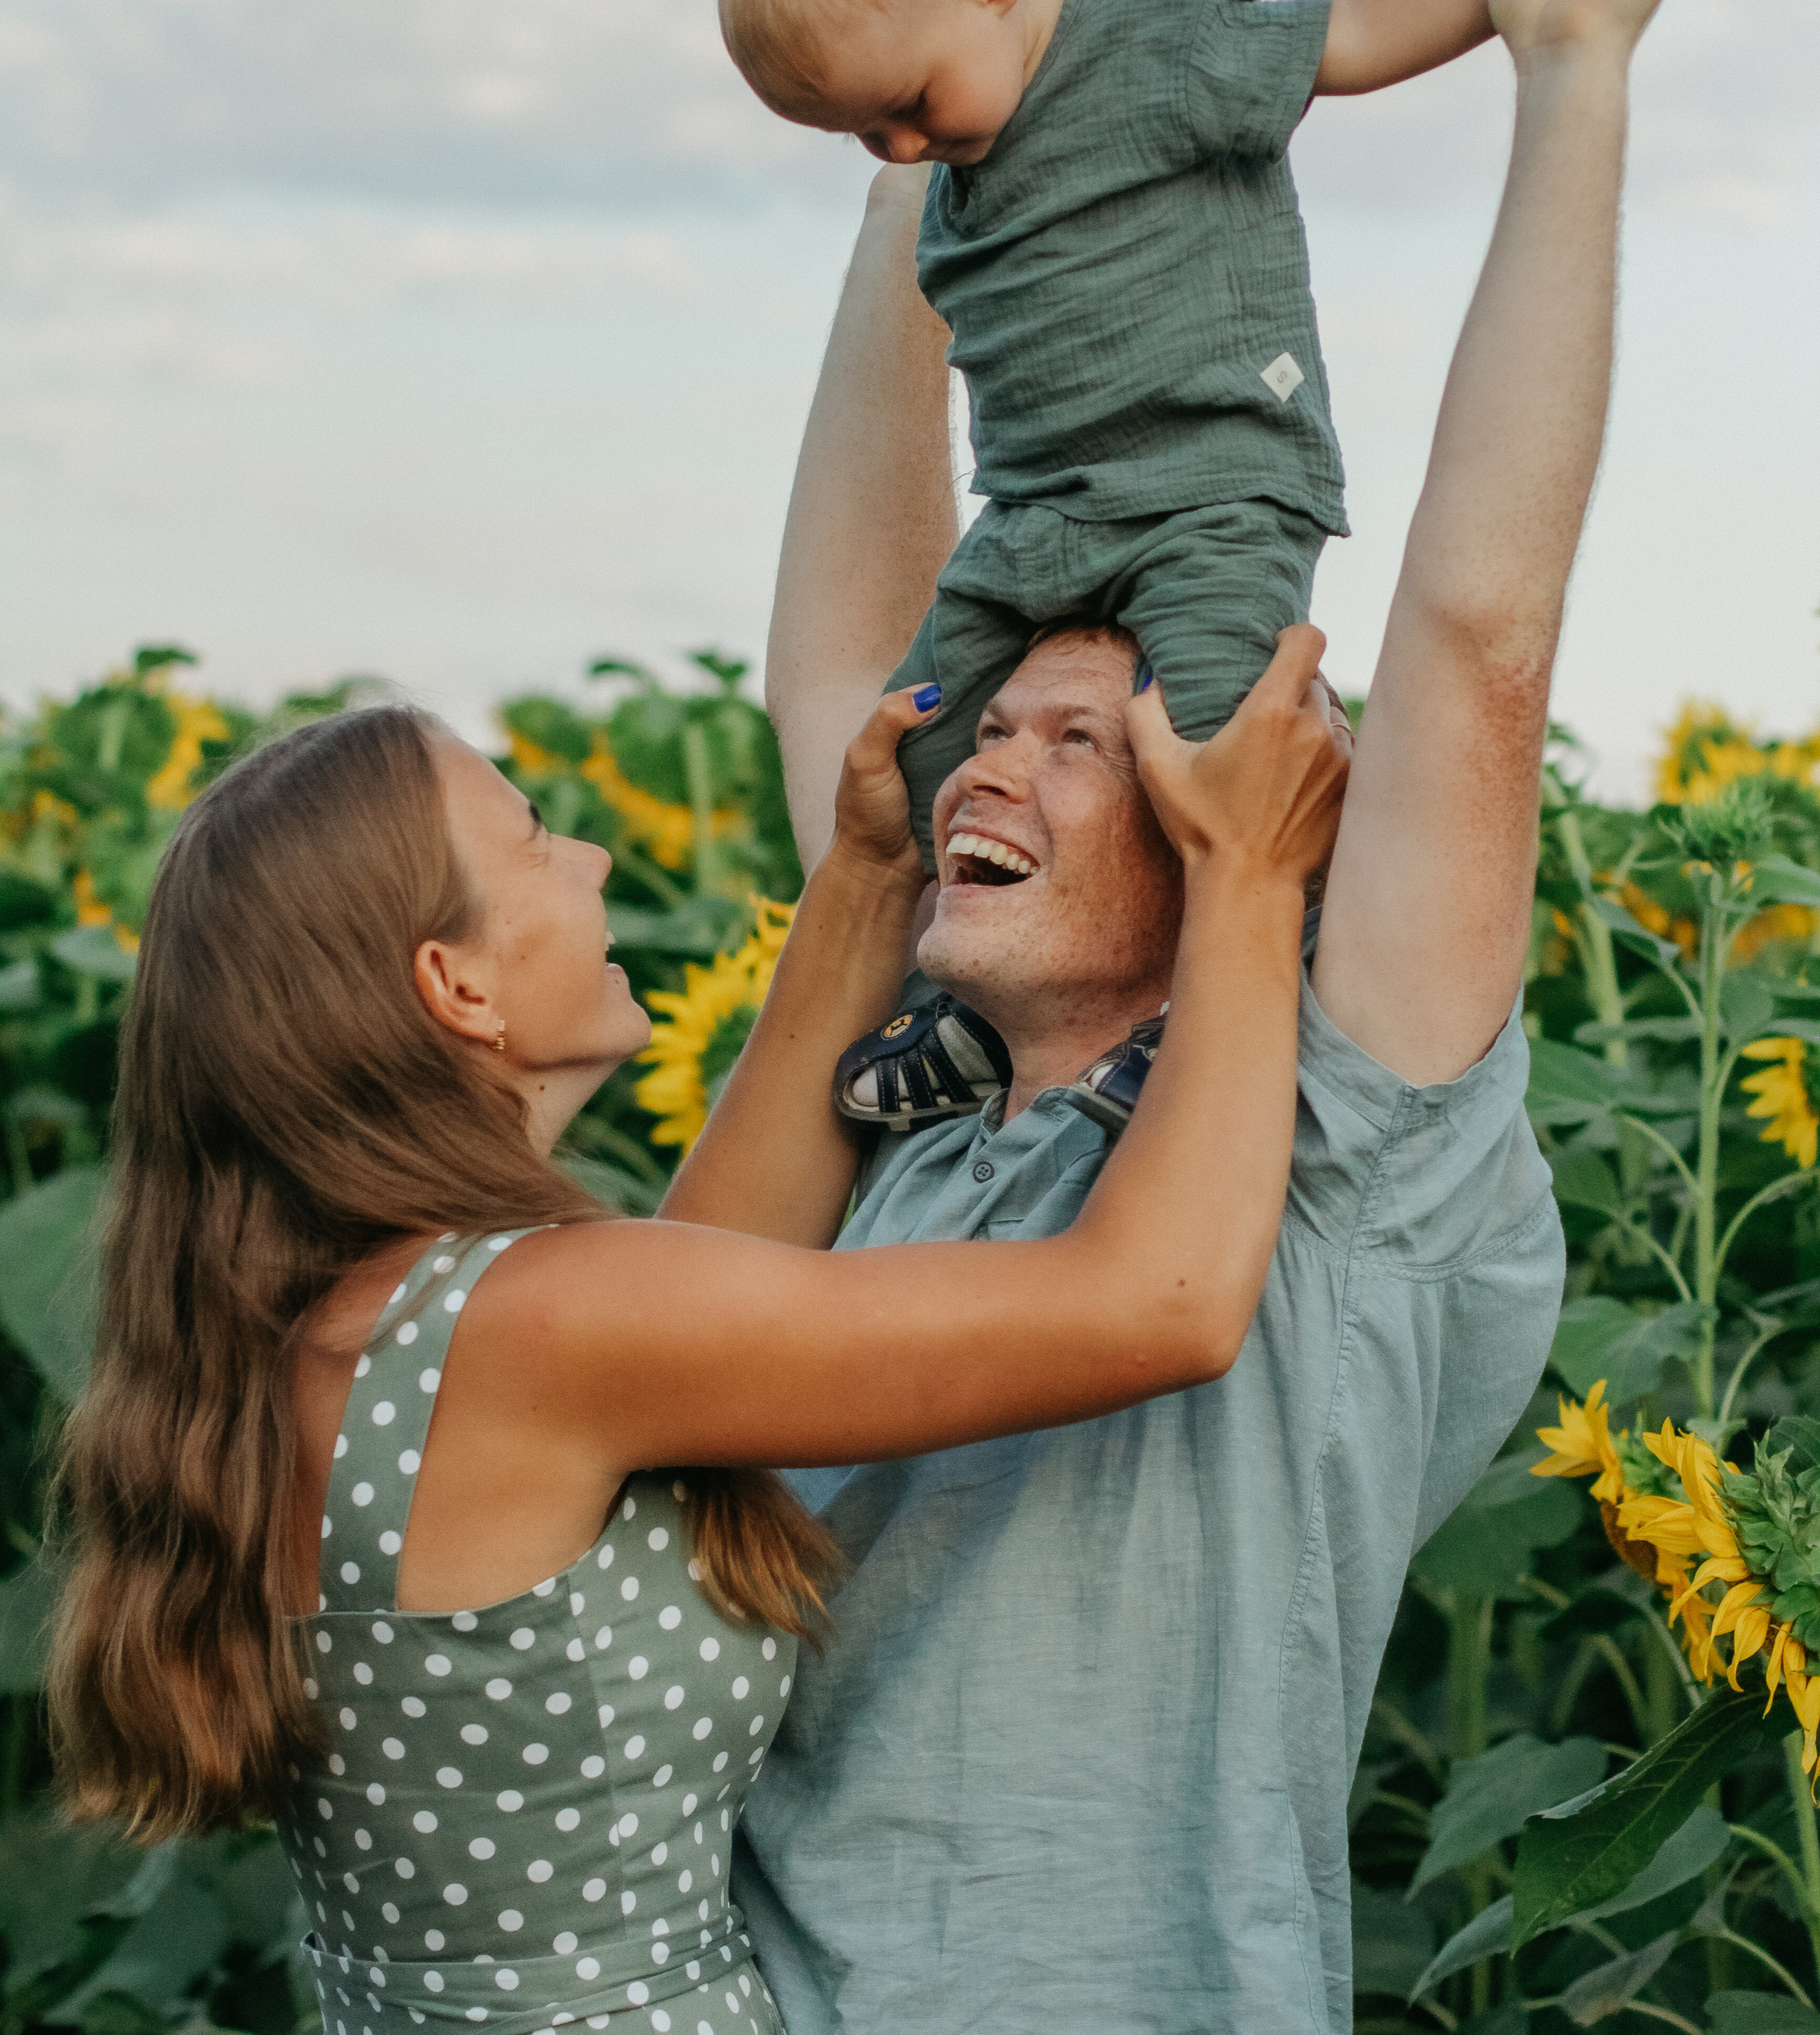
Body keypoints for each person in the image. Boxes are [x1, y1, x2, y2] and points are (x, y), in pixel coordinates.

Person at [665, 0, 1684, 2033]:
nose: (995, 768)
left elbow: (1481, 637)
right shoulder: (890, 1126)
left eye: (1083, 737)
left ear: (1251, 800)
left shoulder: (1330, 1145)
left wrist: (1569, 72)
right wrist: (938, 179)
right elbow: (843, 665)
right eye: (990, 736)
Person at [49, 602, 1347, 2035]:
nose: (595, 857)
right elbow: (1154, 1304)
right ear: (453, 983)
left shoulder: (371, 1321)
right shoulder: (539, 1323)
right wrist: (1245, 874)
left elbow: (706, 1266)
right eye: (536, 837)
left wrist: (865, 871)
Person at [702, 0, 1617, 932]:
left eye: (907, 106)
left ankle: (1275, 976)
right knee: (916, 751)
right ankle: (947, 1002)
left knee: (1214, 749)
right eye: (859, 134)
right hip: (1035, 519)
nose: (898, 151)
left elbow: (1353, 35)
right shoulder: (949, 165)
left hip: (1213, 493)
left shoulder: (1158, 46)